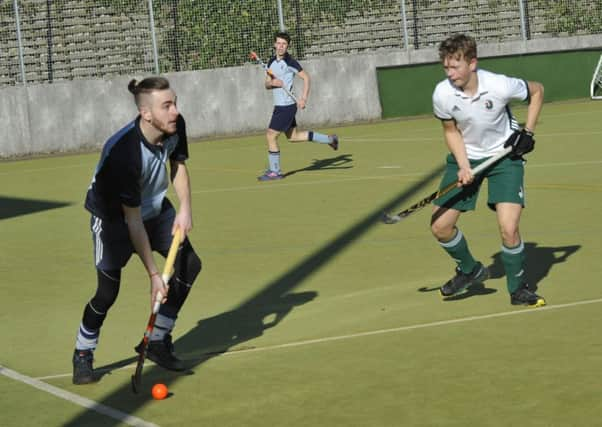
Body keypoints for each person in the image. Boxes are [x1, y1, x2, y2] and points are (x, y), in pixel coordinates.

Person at [72, 76, 202, 384]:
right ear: (146, 114)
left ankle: (157, 341)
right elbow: (132, 222)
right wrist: (154, 276)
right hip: (113, 219)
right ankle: (83, 352)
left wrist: (184, 208)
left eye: (175, 103)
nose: (175, 111)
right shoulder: (124, 153)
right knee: (107, 292)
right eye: (167, 106)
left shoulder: (174, 125)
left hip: (154, 207)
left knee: (189, 265)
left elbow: (178, 165)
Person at [430, 34, 546, 307]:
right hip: (468, 157)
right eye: (446, 67)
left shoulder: (499, 85)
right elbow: (451, 131)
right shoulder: (442, 93)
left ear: (472, 63)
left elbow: (537, 90)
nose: (450, 73)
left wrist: (527, 132)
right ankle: (470, 269)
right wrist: (463, 165)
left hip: (505, 158)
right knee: (440, 227)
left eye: (455, 66)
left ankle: (518, 289)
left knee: (508, 229)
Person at [258, 31, 339, 181]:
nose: (281, 47)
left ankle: (275, 172)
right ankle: (330, 139)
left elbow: (306, 78)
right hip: (279, 106)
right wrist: (272, 83)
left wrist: (303, 98)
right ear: (274, 44)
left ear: (287, 46)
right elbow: (266, 84)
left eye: (284, 44)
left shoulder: (291, 63)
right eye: (279, 43)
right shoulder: (270, 62)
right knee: (293, 137)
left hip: (286, 106)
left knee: (270, 135)